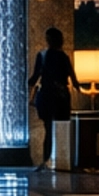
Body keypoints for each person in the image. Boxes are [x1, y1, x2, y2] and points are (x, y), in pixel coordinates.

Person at [27, 27, 80, 163]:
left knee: (48, 130)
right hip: (61, 97)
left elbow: (35, 78)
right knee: (62, 130)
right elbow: (73, 79)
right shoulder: (64, 57)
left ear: (48, 40)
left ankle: (46, 160)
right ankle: (63, 160)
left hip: (46, 96)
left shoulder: (42, 55)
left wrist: (28, 86)